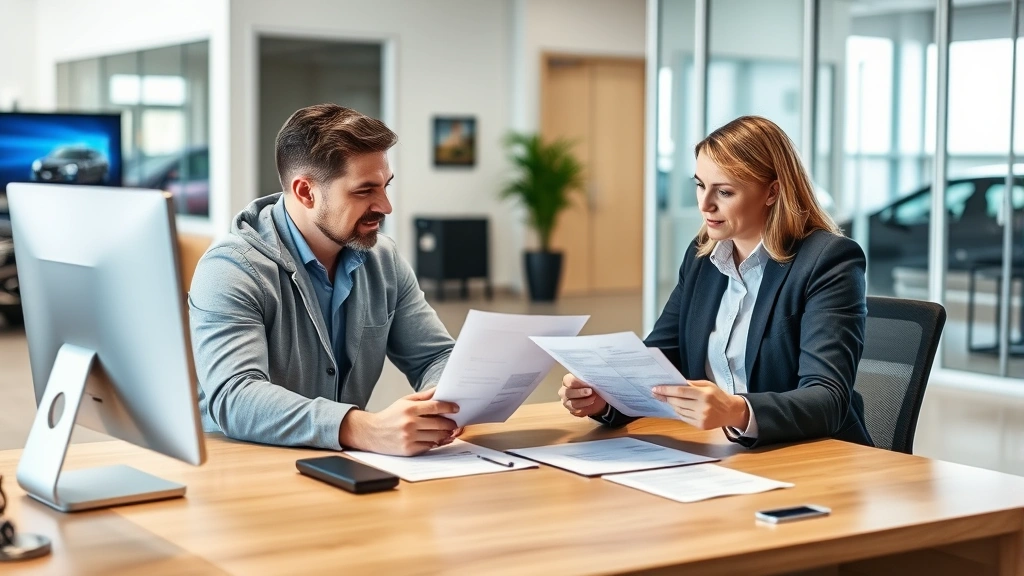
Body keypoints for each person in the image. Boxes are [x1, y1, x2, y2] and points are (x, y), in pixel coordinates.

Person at [559, 115, 872, 448]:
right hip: (719, 453)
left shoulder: (827, 261)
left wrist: (737, 411)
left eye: (724, 191)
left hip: (812, 455)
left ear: (772, 191)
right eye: (699, 185)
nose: (705, 204)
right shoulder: (703, 258)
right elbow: (661, 361)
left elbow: (828, 398)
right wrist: (606, 400)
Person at [189, 104, 461, 455]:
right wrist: (361, 428)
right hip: (245, 465)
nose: (386, 206)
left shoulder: (383, 259)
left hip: (341, 465)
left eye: (385, 186)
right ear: (305, 192)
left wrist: (440, 406)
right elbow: (235, 395)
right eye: (364, 191)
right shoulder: (231, 268)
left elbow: (436, 356)